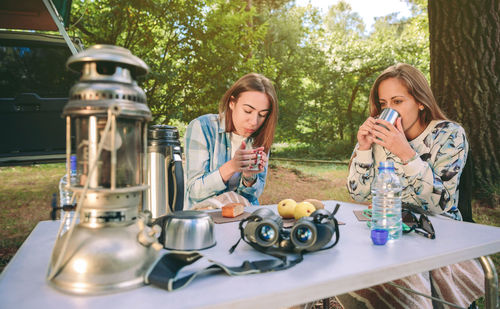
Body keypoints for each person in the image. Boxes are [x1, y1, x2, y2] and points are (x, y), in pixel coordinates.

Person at [341, 63, 484, 308]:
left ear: (420, 102)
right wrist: (364, 149)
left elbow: (441, 204)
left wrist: (406, 153)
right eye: (383, 103)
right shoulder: (378, 136)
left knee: (407, 278)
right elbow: (358, 193)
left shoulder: (449, 134)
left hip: (440, 233)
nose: (389, 110)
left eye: (397, 101)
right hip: (392, 231)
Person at [184, 73, 278, 209]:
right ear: (232, 103)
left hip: (242, 217)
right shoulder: (202, 127)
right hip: (206, 219)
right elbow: (194, 192)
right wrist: (232, 166)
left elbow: (252, 197)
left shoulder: (261, 136)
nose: (254, 122)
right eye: (247, 111)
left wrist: (249, 177)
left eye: (262, 115)